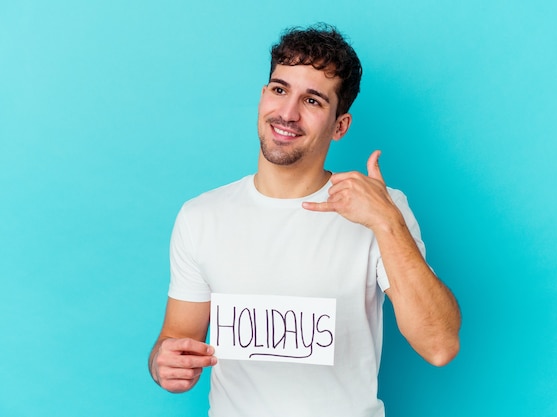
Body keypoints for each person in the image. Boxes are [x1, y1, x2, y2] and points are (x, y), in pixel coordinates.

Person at [149, 23, 461, 416]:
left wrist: (386, 221)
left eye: (313, 101)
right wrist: (164, 363)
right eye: (280, 90)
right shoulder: (201, 216)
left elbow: (440, 345)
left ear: (340, 126)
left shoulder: (380, 208)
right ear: (263, 97)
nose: (288, 113)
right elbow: (175, 343)